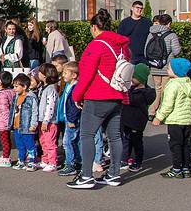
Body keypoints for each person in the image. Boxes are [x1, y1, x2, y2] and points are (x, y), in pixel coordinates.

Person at [67, 10, 130, 189]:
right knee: (115, 136)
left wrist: (76, 95)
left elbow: (86, 75)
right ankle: (114, 174)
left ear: (94, 27)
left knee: (87, 134)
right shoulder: (121, 46)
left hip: (97, 96)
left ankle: (86, 175)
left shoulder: (95, 46)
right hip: (117, 95)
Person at [153, 58, 191, 178]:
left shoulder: (173, 85)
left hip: (175, 120)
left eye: (169, 68)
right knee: (185, 144)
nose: (167, 69)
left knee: (175, 145)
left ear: (176, 71)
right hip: (187, 120)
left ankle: (176, 168)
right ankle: (186, 168)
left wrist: (158, 117)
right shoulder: (190, 84)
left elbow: (168, 104)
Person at [120, 63, 155, 172]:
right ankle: (124, 159)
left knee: (137, 142)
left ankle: (138, 162)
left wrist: (125, 90)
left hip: (137, 122)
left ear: (141, 79)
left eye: (133, 77)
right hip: (126, 120)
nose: (131, 79)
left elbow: (131, 100)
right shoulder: (132, 89)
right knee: (126, 140)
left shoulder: (143, 93)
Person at [144, 13, 182, 114]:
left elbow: (146, 50)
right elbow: (176, 51)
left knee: (158, 89)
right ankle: (157, 111)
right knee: (165, 90)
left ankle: (152, 111)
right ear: (169, 23)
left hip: (154, 65)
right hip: (167, 67)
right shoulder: (171, 35)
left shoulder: (151, 33)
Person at [9, 73, 39, 171]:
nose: (14, 88)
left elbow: (35, 112)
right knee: (20, 145)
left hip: (27, 126)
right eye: (14, 86)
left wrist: (34, 124)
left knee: (29, 144)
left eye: (16, 86)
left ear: (24, 86)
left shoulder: (31, 97)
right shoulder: (16, 97)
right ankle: (21, 160)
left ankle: (32, 161)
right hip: (17, 126)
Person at [57, 62, 81, 177]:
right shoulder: (69, 86)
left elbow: (75, 107)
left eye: (65, 73)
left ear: (74, 75)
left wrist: (71, 120)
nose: (63, 75)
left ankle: (70, 165)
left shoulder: (75, 87)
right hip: (68, 118)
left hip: (72, 120)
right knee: (74, 142)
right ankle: (77, 161)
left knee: (67, 142)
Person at [36, 63, 60, 172]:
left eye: (40, 72)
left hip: (50, 121)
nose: (38, 74)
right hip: (42, 120)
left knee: (50, 141)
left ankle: (53, 162)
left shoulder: (50, 89)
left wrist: (46, 120)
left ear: (45, 75)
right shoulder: (42, 87)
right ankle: (45, 160)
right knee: (43, 141)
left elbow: (50, 106)